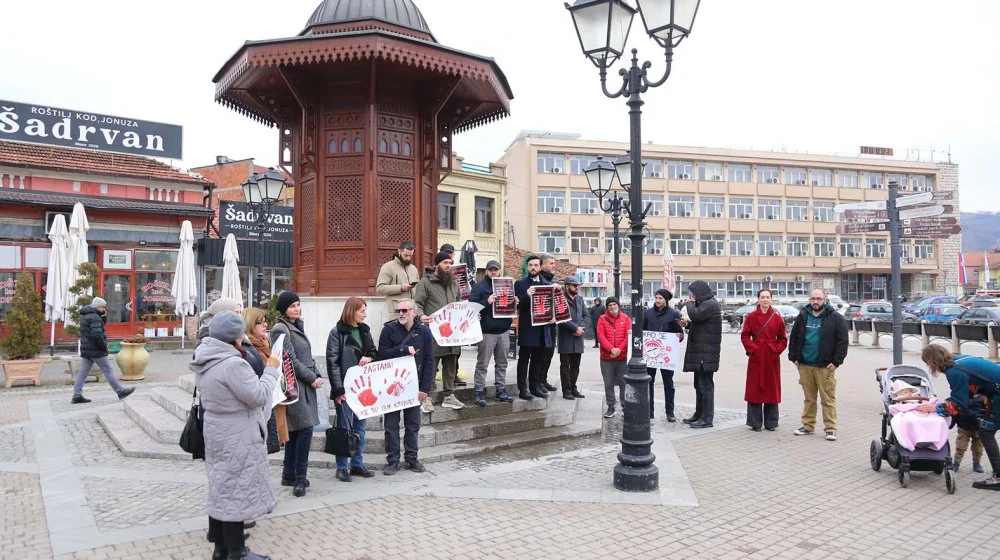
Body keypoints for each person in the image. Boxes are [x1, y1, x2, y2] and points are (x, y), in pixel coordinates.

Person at [189, 311, 278, 560]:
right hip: (237, 432)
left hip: (217, 429)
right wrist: (271, 370)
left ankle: (221, 548)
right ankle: (237, 552)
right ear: (236, 336)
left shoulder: (206, 356)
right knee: (236, 490)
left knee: (222, 487)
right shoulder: (233, 364)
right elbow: (258, 396)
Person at [917, 346, 1000, 490]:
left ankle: (998, 478)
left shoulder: (954, 372)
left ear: (933, 361)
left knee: (987, 432)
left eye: (927, 363)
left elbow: (959, 405)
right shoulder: (959, 360)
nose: (928, 366)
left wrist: (936, 408)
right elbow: (966, 391)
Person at [270, 291, 322, 497]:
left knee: (298, 430)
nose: (297, 309)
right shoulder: (280, 329)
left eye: (298, 305)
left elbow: (305, 355)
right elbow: (289, 359)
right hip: (294, 386)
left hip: (303, 385)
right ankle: (300, 478)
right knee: (305, 430)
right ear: (284, 309)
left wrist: (316, 372)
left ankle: (289, 473)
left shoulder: (295, 326)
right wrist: (312, 377)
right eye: (292, 306)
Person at [377, 298, 435, 475]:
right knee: (391, 425)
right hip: (392, 386)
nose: (401, 313)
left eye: (404, 310)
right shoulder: (388, 330)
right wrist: (402, 350)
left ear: (413, 312)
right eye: (398, 311)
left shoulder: (424, 331)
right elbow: (381, 355)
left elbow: (429, 361)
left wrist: (425, 388)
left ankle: (412, 458)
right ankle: (392, 460)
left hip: (414, 386)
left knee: (412, 425)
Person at [325, 297, 377, 482]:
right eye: (362, 310)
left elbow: (373, 351)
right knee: (344, 428)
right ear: (352, 311)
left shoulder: (365, 330)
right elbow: (333, 363)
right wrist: (338, 390)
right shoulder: (337, 332)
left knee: (360, 427)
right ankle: (342, 467)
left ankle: (357, 464)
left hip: (363, 388)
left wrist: (369, 357)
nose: (365, 314)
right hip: (345, 390)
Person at [787, 288, 849, 441]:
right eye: (813, 298)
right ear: (809, 299)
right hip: (805, 364)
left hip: (825, 366)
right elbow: (794, 337)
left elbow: (842, 342)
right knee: (809, 398)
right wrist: (794, 357)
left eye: (819, 299)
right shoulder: (802, 316)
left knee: (827, 398)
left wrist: (836, 362)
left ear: (825, 300)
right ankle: (807, 425)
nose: (816, 301)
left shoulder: (834, 317)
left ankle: (830, 428)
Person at [414, 252, 463, 409]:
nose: (448, 266)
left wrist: (469, 318)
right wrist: (420, 316)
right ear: (437, 264)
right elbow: (417, 304)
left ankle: (449, 395)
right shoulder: (425, 283)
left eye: (450, 263)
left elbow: (459, 304)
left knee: (450, 365)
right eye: (445, 263)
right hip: (433, 332)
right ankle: (427, 396)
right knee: (430, 365)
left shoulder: (453, 283)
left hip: (452, 333)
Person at [469, 260, 517, 407]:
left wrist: (515, 302)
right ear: (487, 271)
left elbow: (510, 306)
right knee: (483, 364)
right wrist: (487, 301)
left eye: (496, 269)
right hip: (487, 332)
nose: (493, 272)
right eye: (491, 270)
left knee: (502, 363)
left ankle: (500, 389)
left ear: (499, 270)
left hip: (503, 330)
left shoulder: (507, 286)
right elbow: (472, 307)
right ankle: (478, 391)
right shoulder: (479, 286)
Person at [740, 289, 788, 432]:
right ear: (758, 299)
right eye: (763, 297)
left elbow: (783, 339)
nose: (765, 300)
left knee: (772, 388)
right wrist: (754, 349)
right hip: (757, 356)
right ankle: (755, 422)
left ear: (771, 299)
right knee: (754, 388)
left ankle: (771, 422)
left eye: (768, 297)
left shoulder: (777, 318)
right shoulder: (751, 317)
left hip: (771, 357)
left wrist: (775, 350)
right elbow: (745, 336)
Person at [72, 297, 135, 404]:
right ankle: (120, 391)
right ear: (97, 307)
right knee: (108, 370)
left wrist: (103, 317)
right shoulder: (95, 318)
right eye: (103, 307)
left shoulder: (85, 316)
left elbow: (98, 328)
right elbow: (97, 335)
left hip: (87, 349)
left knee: (82, 373)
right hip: (96, 349)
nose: (104, 309)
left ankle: (77, 395)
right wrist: (104, 346)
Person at [242, 308, 285, 453]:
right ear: (249, 325)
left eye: (265, 321)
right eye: (260, 322)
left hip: (271, 400)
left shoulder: (266, 343)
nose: (265, 325)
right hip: (259, 405)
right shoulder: (248, 349)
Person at [680, 281, 722, 429]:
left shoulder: (711, 304)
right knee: (698, 385)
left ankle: (707, 418)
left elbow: (696, 315)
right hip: (701, 352)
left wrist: (689, 303)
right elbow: (700, 323)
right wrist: (689, 325)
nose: (692, 296)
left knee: (706, 387)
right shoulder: (705, 304)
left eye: (693, 293)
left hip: (706, 353)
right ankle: (699, 414)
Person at [514, 254, 555, 400]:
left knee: (538, 359)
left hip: (542, 328)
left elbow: (550, 306)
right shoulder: (520, 284)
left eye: (536, 265)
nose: (533, 268)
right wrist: (526, 295)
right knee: (524, 359)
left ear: (540, 266)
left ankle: (535, 387)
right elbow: (516, 305)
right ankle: (522, 389)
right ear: (527, 267)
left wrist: (552, 317)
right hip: (527, 327)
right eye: (530, 265)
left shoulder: (546, 284)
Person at [642, 289, 684, 421]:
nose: (657, 300)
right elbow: (642, 331)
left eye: (660, 298)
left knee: (668, 383)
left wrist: (680, 336)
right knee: (649, 382)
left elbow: (680, 333)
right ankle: (649, 411)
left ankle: (669, 412)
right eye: (656, 297)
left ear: (666, 299)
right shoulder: (648, 313)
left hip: (666, 355)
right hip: (651, 355)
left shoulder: (674, 314)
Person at [886, 380, 949, 453]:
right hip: (910, 412)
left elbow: (932, 402)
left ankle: (932, 439)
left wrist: (926, 402)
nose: (909, 393)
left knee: (939, 420)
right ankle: (916, 440)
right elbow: (895, 408)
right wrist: (902, 402)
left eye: (910, 391)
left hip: (924, 412)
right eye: (906, 392)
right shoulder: (901, 402)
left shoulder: (920, 399)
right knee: (910, 421)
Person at [597, 297, 631, 419]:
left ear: (618, 305)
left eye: (614, 304)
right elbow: (601, 336)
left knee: (624, 383)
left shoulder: (626, 318)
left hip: (622, 358)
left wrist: (619, 350)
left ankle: (624, 406)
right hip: (607, 358)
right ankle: (611, 406)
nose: (612, 307)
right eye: (610, 305)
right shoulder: (602, 319)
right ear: (607, 307)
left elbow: (628, 336)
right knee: (608, 383)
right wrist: (611, 349)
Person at [557, 275, 588, 400]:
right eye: (574, 285)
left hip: (578, 338)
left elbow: (586, 316)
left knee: (576, 366)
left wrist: (581, 328)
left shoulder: (580, 299)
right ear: (567, 286)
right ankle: (566, 390)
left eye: (577, 285)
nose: (576, 287)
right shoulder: (560, 299)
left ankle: (573, 387)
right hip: (566, 337)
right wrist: (575, 328)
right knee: (565, 366)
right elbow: (561, 317)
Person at [376, 241, 420, 313]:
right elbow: (380, 288)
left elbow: (418, 289)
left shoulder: (413, 269)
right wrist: (400, 288)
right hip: (396, 314)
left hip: (412, 314)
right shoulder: (388, 267)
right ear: (399, 251)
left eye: (410, 256)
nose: (408, 258)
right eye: (406, 255)